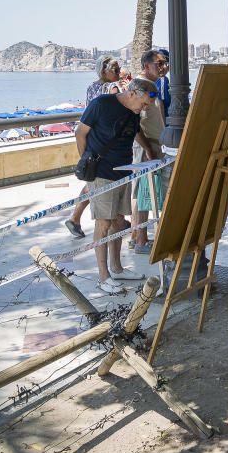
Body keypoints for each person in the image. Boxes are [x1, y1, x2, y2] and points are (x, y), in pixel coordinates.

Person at [75, 78, 156, 293]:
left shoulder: (133, 112)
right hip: (101, 173)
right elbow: (80, 132)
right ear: (132, 94)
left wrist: (148, 149)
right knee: (104, 223)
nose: (145, 109)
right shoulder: (102, 104)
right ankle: (104, 276)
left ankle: (117, 268)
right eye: (145, 103)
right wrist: (86, 162)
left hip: (124, 172)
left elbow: (135, 131)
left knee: (119, 221)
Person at [65, 56, 121, 239]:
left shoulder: (91, 87)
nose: (119, 72)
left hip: (92, 139)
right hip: (107, 142)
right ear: (105, 71)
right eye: (115, 69)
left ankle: (77, 217)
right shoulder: (112, 89)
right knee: (99, 180)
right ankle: (76, 217)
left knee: (95, 178)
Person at [131, 50, 166, 254]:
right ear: (146, 65)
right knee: (143, 193)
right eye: (158, 63)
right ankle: (141, 240)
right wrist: (146, 148)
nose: (162, 67)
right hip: (147, 147)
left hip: (155, 145)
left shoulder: (153, 86)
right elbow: (135, 124)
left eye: (164, 63)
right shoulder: (139, 86)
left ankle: (138, 236)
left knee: (148, 191)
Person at [155, 48, 171, 119]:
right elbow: (160, 104)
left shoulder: (163, 79)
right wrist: (163, 127)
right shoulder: (163, 79)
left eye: (167, 64)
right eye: (161, 63)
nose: (164, 67)